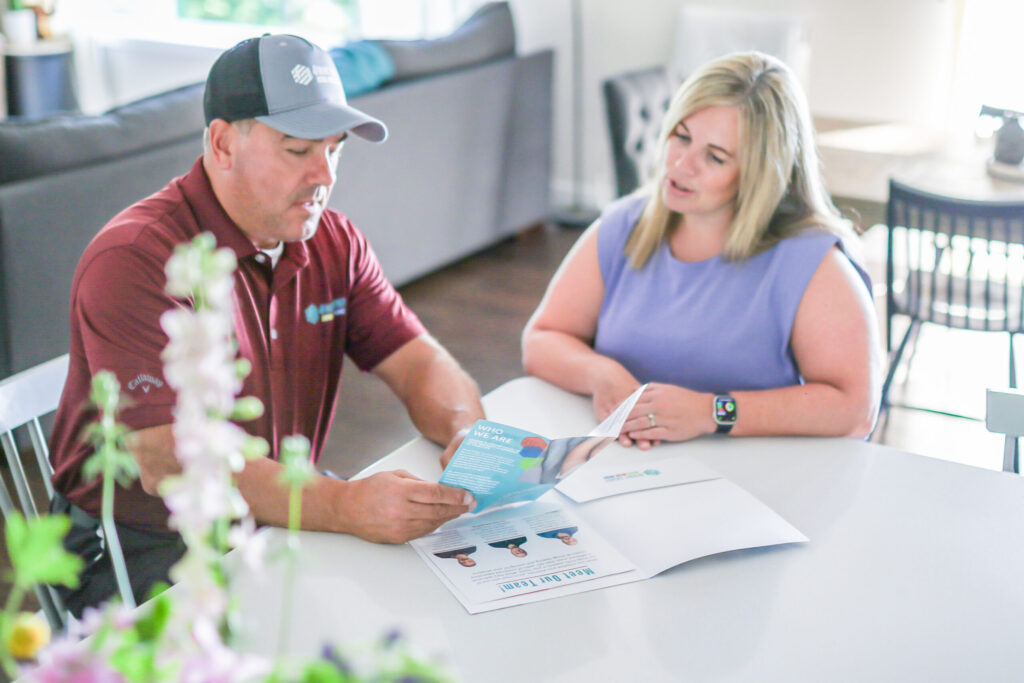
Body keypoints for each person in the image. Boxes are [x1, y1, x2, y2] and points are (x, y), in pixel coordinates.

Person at [48, 34, 484, 616]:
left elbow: (417, 359)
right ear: (223, 144)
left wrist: (470, 437)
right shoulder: (134, 258)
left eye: (334, 149)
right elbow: (169, 463)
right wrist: (344, 505)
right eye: (298, 150)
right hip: (140, 538)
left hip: (271, 503)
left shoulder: (336, 239)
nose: (324, 176)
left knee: (405, 605)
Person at [522, 52, 881, 447]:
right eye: (681, 136)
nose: (681, 164)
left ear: (758, 175)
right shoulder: (625, 226)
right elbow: (542, 338)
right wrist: (598, 373)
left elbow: (854, 410)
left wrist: (711, 412)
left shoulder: (812, 262)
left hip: (761, 486)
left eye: (714, 156)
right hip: (630, 468)